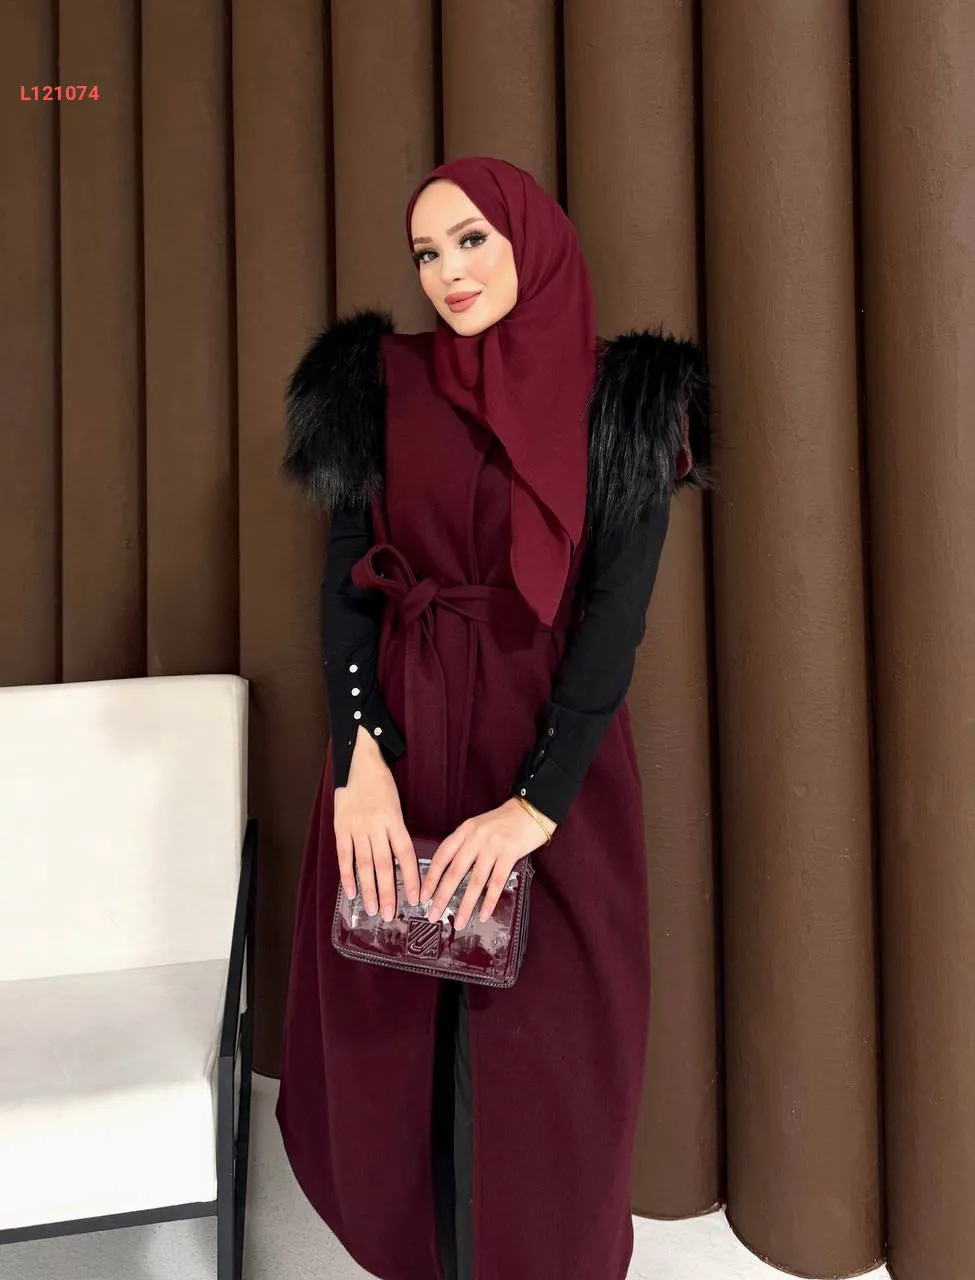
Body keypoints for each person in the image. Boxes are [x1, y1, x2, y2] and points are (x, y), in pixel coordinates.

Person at [275, 155, 708, 1280]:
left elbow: (612, 629)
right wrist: (359, 763)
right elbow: (345, 590)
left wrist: (533, 808)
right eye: (427, 251)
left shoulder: (626, 401)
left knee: (547, 1071)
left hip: (548, 759)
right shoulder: (379, 382)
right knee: (394, 1040)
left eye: (471, 239)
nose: (448, 272)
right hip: (400, 743)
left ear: (531, 240)